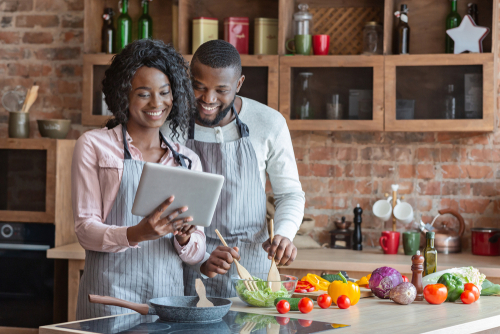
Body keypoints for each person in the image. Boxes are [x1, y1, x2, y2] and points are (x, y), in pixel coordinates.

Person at [72, 39, 205, 319]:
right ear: (124, 95)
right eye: (143, 94)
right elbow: (85, 230)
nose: (156, 103)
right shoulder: (94, 145)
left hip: (166, 301)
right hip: (109, 298)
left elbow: (197, 252)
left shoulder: (188, 161)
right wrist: (135, 234)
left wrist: (185, 239)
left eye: (164, 92)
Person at [161, 40, 305, 297]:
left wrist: (283, 234)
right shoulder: (169, 125)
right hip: (189, 265)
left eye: (221, 90)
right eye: (199, 87)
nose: (208, 99)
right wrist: (200, 255)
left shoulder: (269, 123)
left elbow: (290, 194)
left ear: (238, 85)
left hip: (254, 265)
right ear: (188, 79)